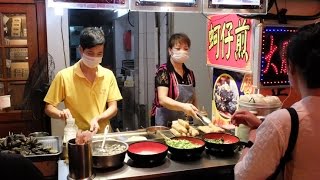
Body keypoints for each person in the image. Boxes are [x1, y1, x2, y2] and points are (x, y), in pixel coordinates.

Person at [232, 22, 320, 179]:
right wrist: (264, 127)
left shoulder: (284, 121)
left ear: (290, 67)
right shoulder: (282, 124)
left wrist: (253, 136)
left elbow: (244, 176)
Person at [44, 27, 122, 133]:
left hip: (103, 136)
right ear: (81, 50)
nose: (95, 57)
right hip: (76, 136)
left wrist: (98, 118)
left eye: (99, 54)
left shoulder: (108, 75)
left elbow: (113, 108)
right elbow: (49, 107)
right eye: (90, 53)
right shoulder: (64, 76)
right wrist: (60, 114)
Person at [151, 33, 199, 126]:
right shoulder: (164, 71)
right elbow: (162, 99)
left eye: (185, 49)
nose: (182, 52)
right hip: (163, 121)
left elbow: (194, 97)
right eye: (178, 49)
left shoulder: (190, 74)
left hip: (184, 121)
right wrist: (184, 107)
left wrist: (198, 113)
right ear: (170, 51)